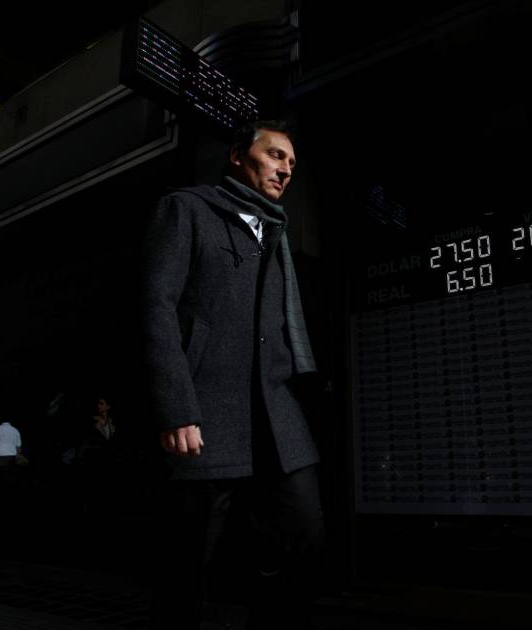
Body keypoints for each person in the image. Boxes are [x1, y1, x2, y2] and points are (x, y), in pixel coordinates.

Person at [142, 119, 324, 629]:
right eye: (275, 155)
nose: (286, 169)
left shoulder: (277, 230)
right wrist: (177, 407)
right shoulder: (188, 210)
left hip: (275, 409)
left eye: (291, 161)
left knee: (303, 533)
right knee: (188, 562)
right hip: (207, 406)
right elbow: (157, 307)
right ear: (239, 157)